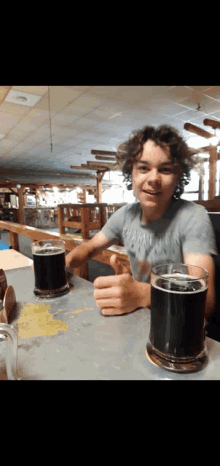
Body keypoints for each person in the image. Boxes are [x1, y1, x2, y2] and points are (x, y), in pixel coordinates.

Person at [65, 124, 217, 318]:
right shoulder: (124, 215)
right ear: (131, 174)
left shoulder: (193, 216)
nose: (154, 178)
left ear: (179, 177)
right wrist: (66, 262)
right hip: (139, 317)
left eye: (165, 169)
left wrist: (144, 294)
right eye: (143, 168)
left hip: (181, 326)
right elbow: (89, 248)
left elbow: (206, 303)